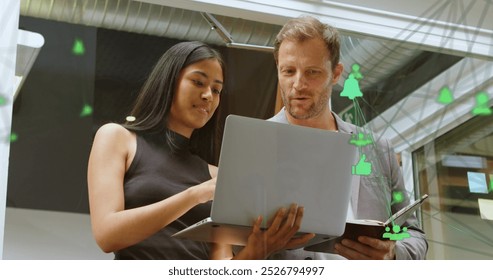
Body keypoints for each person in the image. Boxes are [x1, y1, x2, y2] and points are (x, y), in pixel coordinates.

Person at [87, 41, 313, 260]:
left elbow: (221, 267)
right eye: (198, 82)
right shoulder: (117, 138)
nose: (208, 96)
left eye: (216, 90)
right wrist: (195, 195)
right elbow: (107, 235)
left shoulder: (216, 176)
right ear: (168, 81)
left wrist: (259, 249)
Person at [267, 16, 428, 260]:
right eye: (288, 71)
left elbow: (412, 232)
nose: (298, 84)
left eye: (312, 72)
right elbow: (230, 244)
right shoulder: (258, 144)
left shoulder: (378, 149)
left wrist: (393, 254)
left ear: (336, 73)